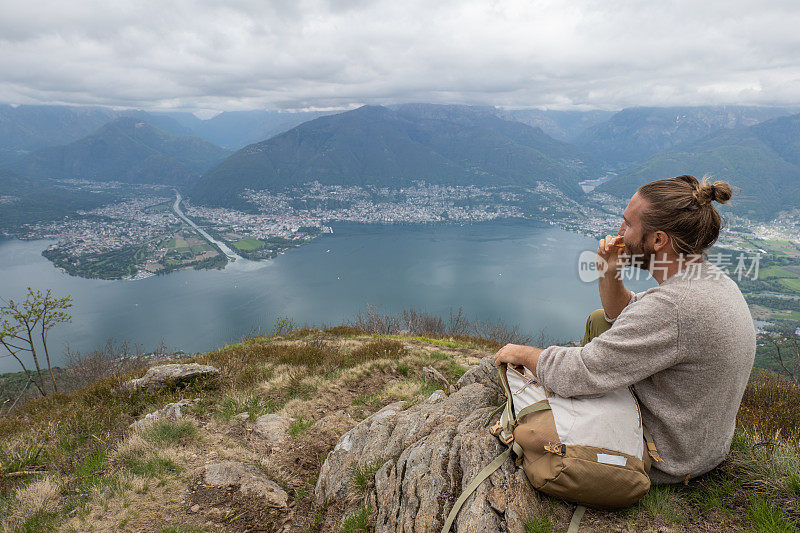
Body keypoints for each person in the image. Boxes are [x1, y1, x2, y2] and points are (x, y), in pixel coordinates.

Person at [493, 174, 756, 483]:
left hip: (668, 456)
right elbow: (623, 316)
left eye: (628, 224)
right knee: (598, 319)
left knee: (538, 433)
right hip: (700, 443)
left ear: (658, 240)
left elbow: (579, 373)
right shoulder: (706, 279)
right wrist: (609, 271)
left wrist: (522, 353)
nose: (620, 233)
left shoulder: (675, 307)